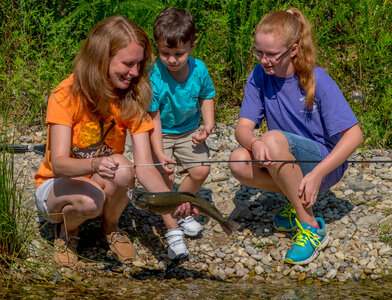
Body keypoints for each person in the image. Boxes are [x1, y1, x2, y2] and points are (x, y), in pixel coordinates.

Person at [34, 15, 197, 267]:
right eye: (127, 63)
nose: (134, 72)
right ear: (102, 58)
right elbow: (59, 164)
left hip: (99, 182)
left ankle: (110, 227)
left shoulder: (131, 97)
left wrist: (174, 202)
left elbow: (144, 168)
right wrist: (94, 164)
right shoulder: (66, 94)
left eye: (139, 64)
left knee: (124, 167)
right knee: (89, 201)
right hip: (56, 187)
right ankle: (67, 233)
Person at [229, 8, 363, 265]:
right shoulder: (259, 76)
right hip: (284, 157)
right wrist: (254, 143)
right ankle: (295, 202)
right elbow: (242, 129)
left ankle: (312, 227)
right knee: (237, 160)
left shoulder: (317, 78)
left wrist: (317, 174)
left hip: (323, 166)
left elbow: (354, 134)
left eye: (271, 55)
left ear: (292, 50)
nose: (264, 60)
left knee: (273, 138)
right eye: (259, 52)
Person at [148, 7, 215, 257]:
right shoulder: (154, 74)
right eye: (165, 53)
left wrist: (207, 127)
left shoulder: (199, 69)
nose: (172, 60)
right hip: (160, 133)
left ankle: (179, 207)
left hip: (189, 131)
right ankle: (173, 231)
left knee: (201, 169)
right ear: (157, 47)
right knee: (165, 177)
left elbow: (207, 96)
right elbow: (152, 118)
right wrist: (158, 153)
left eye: (179, 53)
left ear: (192, 46)